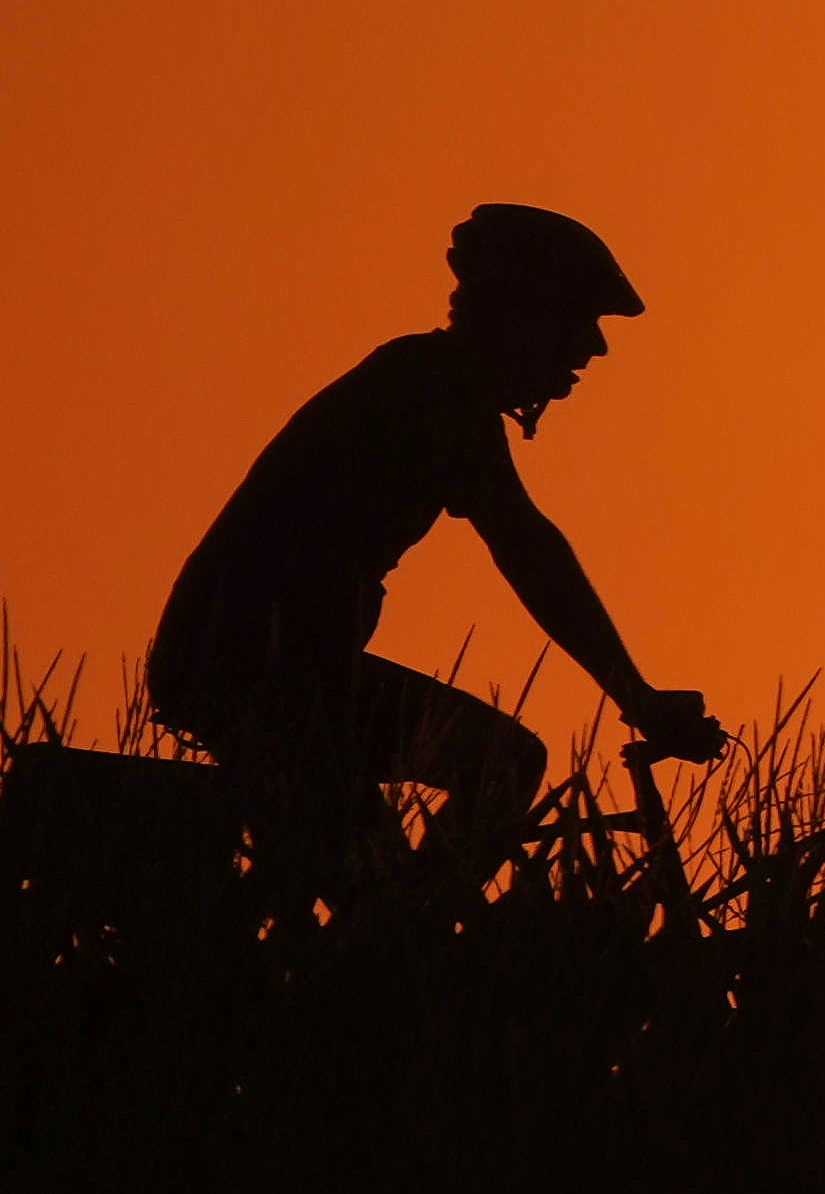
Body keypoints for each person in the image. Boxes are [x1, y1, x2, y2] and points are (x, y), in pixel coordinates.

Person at [148, 205, 727, 899]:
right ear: (520, 316)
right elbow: (526, 546)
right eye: (578, 322)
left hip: (268, 666)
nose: (593, 348)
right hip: (264, 672)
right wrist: (635, 695)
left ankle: (400, 934)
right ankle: (411, 943)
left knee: (375, 879)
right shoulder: (432, 390)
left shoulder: (429, 382)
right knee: (502, 765)